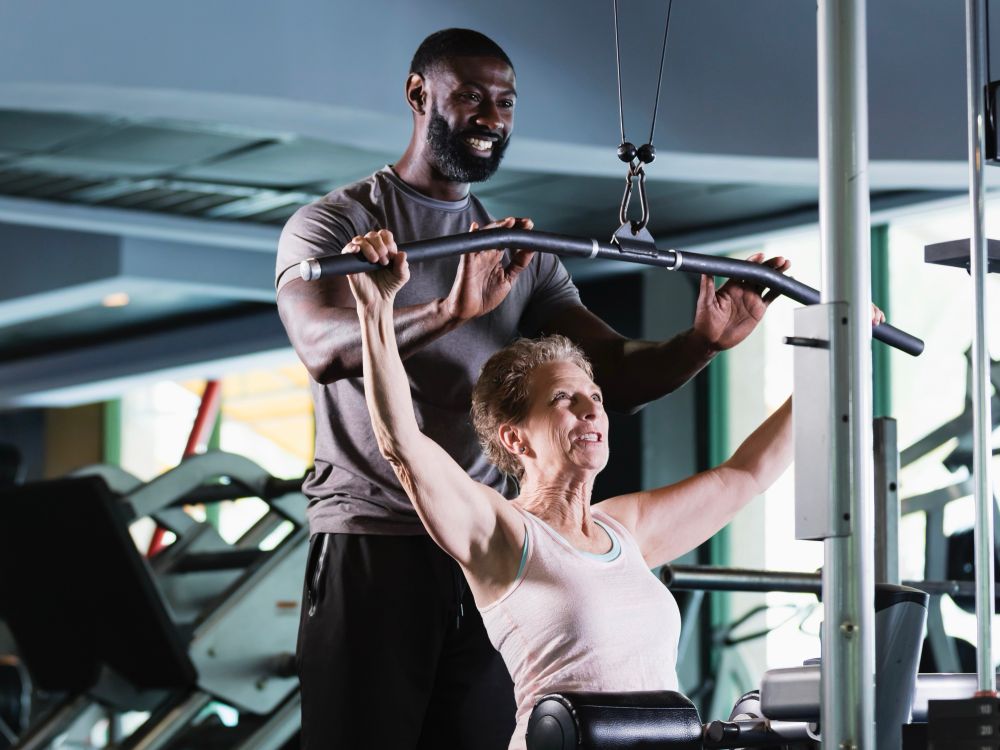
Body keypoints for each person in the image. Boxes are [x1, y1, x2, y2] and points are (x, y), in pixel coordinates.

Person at [275, 28, 790, 750]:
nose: (492, 117)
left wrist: (700, 342)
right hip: (377, 538)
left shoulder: (519, 258)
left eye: (506, 103)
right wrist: (446, 310)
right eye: (472, 98)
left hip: (499, 547)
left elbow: (610, 370)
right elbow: (321, 350)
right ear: (418, 95)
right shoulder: (339, 225)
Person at [345, 242, 794, 750]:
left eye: (596, 399)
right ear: (515, 437)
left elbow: (747, 476)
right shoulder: (504, 534)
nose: (591, 411)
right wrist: (374, 308)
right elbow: (401, 443)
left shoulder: (624, 529)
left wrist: (833, 359)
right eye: (564, 399)